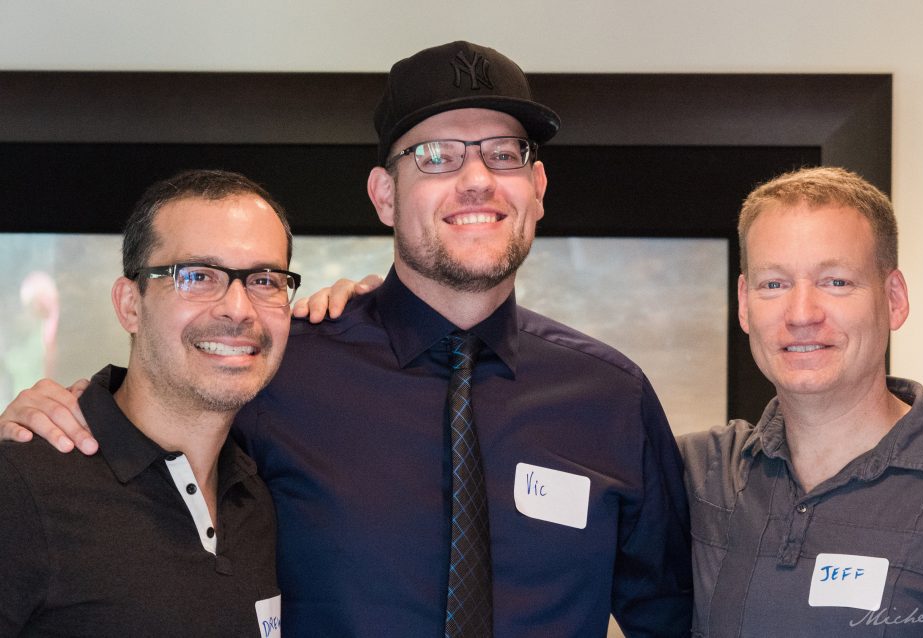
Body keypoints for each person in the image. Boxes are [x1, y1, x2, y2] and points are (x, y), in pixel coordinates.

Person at [0, 42, 691, 636]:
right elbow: (158, 425)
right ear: (384, 195)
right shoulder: (280, 366)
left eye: (505, 154)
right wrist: (56, 410)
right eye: (437, 156)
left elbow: (672, 618)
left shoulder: (613, 398)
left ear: (537, 185)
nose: (477, 180)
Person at [678, 166, 923, 637]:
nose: (802, 314)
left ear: (894, 298)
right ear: (744, 302)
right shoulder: (699, 473)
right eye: (774, 284)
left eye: (836, 281)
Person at [0, 170, 298, 636]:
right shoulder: (21, 486)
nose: (239, 309)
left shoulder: (259, 498)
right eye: (198, 276)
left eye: (265, 280)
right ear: (129, 305)